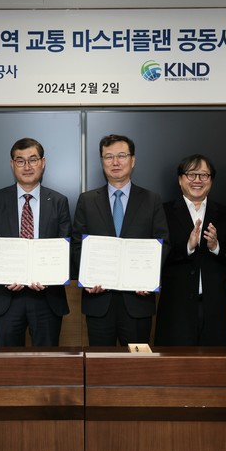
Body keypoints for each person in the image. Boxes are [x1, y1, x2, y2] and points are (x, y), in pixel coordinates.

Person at [72, 134, 169, 346]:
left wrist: (148, 278)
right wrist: (87, 278)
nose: (115, 162)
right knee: (99, 361)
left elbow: (162, 243)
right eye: (109, 157)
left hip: (137, 301)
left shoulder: (151, 200)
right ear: (102, 162)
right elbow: (78, 244)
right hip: (98, 300)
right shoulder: (87, 200)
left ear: (133, 160)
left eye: (122, 156)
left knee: (136, 362)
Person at [0, 138, 71, 346]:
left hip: (48, 298)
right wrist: (5, 275)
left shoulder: (59, 201)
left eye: (33, 159)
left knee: (47, 361)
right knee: (9, 362)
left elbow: (65, 249)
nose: (27, 166)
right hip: (7, 298)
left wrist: (49, 275)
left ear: (43, 162)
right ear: (12, 164)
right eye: (20, 161)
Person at [155, 154, 226, 346]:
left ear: (211, 180)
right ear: (180, 179)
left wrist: (216, 247)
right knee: (174, 362)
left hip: (215, 308)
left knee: (216, 362)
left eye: (203, 175)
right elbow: (155, 257)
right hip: (176, 307)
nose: (197, 180)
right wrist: (187, 247)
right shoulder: (162, 212)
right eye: (191, 174)